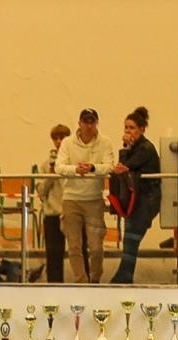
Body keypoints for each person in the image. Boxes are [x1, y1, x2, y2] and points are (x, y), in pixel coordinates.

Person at [55, 108, 115, 284]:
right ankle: (80, 281)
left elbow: (109, 166)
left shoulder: (105, 142)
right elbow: (59, 167)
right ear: (79, 123)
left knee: (96, 247)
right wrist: (76, 170)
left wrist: (92, 168)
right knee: (74, 246)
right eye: (85, 122)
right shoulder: (67, 142)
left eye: (92, 122)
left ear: (96, 123)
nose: (89, 126)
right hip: (71, 199)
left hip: (94, 200)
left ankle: (95, 279)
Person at [109, 106, 161, 284]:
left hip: (147, 199)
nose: (128, 131)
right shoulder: (134, 148)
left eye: (132, 128)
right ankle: (124, 275)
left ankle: (124, 276)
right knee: (130, 238)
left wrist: (125, 149)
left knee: (132, 238)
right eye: (126, 128)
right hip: (137, 199)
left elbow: (126, 165)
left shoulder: (146, 148)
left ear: (141, 129)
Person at [38, 124, 71, 283]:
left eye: (62, 137)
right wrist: (51, 172)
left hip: (72, 212)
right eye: (55, 138)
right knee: (53, 254)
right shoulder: (46, 164)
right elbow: (41, 191)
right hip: (52, 212)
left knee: (78, 252)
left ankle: (84, 285)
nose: (59, 141)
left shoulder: (74, 161)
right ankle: (54, 286)